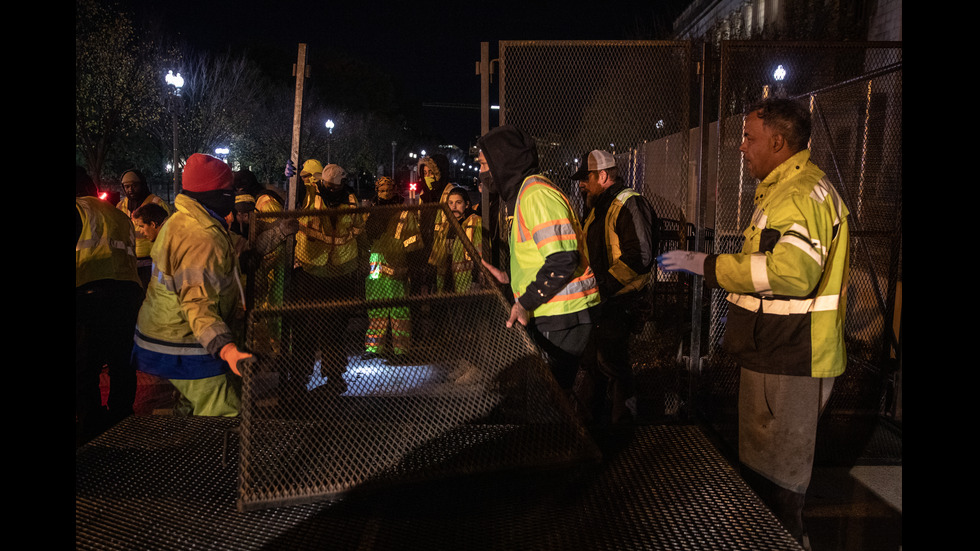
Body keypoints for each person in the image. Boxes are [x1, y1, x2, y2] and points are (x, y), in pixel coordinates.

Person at [658, 98, 850, 549]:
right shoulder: (791, 190)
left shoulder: (797, 195)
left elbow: (791, 273)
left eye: (749, 137)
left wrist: (707, 264)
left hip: (789, 357)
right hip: (781, 353)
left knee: (779, 486)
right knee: (772, 479)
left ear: (778, 142)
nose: (741, 147)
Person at [477, 124, 600, 391]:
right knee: (549, 398)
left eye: (485, 164)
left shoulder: (536, 195)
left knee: (549, 400)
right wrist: (508, 277)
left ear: (503, 161)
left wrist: (525, 303)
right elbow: (543, 257)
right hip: (552, 312)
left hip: (562, 315)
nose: (482, 172)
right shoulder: (523, 195)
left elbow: (563, 259)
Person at [131, 153, 252, 417]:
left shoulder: (189, 221)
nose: (232, 195)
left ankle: (182, 444)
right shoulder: (200, 237)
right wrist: (227, 349)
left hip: (172, 332)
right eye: (228, 190)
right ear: (213, 193)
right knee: (224, 410)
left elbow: (232, 250)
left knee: (193, 402)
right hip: (182, 338)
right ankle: (215, 456)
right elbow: (197, 303)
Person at [571, 150, 658, 426]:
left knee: (612, 365)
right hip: (604, 299)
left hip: (620, 301)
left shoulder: (627, 203)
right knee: (599, 363)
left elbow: (641, 257)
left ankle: (623, 426)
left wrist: (602, 287)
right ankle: (596, 424)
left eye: (587, 178)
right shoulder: (599, 207)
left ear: (604, 176)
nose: (581, 184)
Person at [76, 166, 144, 444]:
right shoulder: (119, 214)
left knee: (86, 364)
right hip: (127, 294)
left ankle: (90, 420)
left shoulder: (78, 210)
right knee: (121, 362)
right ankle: (122, 416)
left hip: (88, 292)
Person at [289, 163, 365, 395]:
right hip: (311, 270)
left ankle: (333, 379)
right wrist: (289, 179)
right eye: (327, 186)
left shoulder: (351, 198)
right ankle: (300, 378)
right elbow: (293, 200)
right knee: (306, 329)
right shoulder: (309, 194)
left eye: (335, 186)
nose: (331, 190)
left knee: (333, 329)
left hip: (340, 272)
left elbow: (359, 229)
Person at [363, 177, 423, 358]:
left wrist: (411, 267)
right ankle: (374, 348)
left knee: (399, 311)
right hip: (376, 267)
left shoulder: (404, 213)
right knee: (376, 309)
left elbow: (413, 244)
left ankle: (402, 350)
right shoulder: (370, 212)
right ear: (377, 191)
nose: (386, 194)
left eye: (389, 190)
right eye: (382, 191)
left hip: (397, 264)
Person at [116, 169, 172, 288]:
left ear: (142, 185)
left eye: (134, 185)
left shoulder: (157, 203)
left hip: (151, 263)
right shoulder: (120, 206)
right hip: (129, 264)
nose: (130, 190)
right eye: (126, 186)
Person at [430, 186, 482, 293]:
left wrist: (476, 278)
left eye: (458, 202)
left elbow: (480, 254)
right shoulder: (446, 225)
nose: (454, 207)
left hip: (466, 279)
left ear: (467, 204)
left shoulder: (475, 222)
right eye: (450, 203)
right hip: (445, 279)